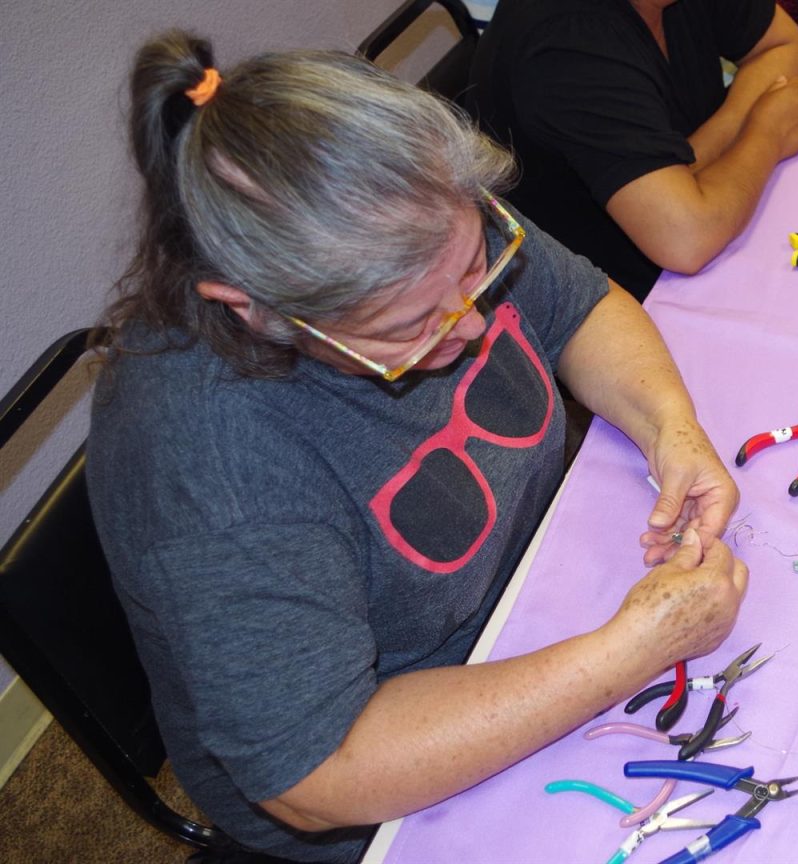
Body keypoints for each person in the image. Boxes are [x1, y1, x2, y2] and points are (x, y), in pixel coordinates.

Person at [88, 31, 748, 863]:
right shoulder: (207, 463)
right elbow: (318, 774)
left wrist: (670, 432)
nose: (474, 324)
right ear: (253, 308)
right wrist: (630, 650)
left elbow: (578, 306)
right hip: (387, 786)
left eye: (476, 268)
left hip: (538, 601)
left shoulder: (421, 216)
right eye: (411, 327)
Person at [466, 0, 798, 300]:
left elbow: (779, 45)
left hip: (691, 221)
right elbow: (687, 240)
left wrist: (699, 153)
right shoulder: (568, 41)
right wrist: (767, 133)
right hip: (612, 295)